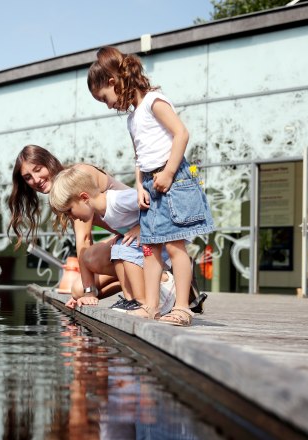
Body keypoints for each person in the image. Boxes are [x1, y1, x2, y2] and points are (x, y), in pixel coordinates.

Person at [87, 46, 215, 326]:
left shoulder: (154, 101)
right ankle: (151, 305)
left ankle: (182, 307)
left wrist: (168, 173)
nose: (108, 105)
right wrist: (139, 185)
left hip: (173, 180)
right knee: (150, 247)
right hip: (151, 183)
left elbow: (182, 133)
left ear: (113, 81)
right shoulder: (133, 118)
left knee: (175, 245)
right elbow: (139, 156)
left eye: (104, 98)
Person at [7, 145, 130, 306]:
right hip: (130, 241)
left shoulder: (77, 178)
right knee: (78, 290)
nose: (36, 180)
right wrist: (85, 294)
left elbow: (84, 239)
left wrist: (89, 291)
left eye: (38, 169)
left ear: (49, 162)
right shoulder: (62, 192)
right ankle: (145, 284)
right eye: (28, 177)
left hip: (148, 237)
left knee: (90, 263)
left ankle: (156, 281)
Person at [49, 166, 176, 315]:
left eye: (69, 210)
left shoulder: (118, 200)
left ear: (84, 198)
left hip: (162, 242)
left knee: (123, 249)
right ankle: (132, 301)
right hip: (145, 245)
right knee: (117, 248)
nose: (71, 217)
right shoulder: (103, 212)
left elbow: (159, 203)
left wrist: (141, 227)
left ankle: (150, 297)